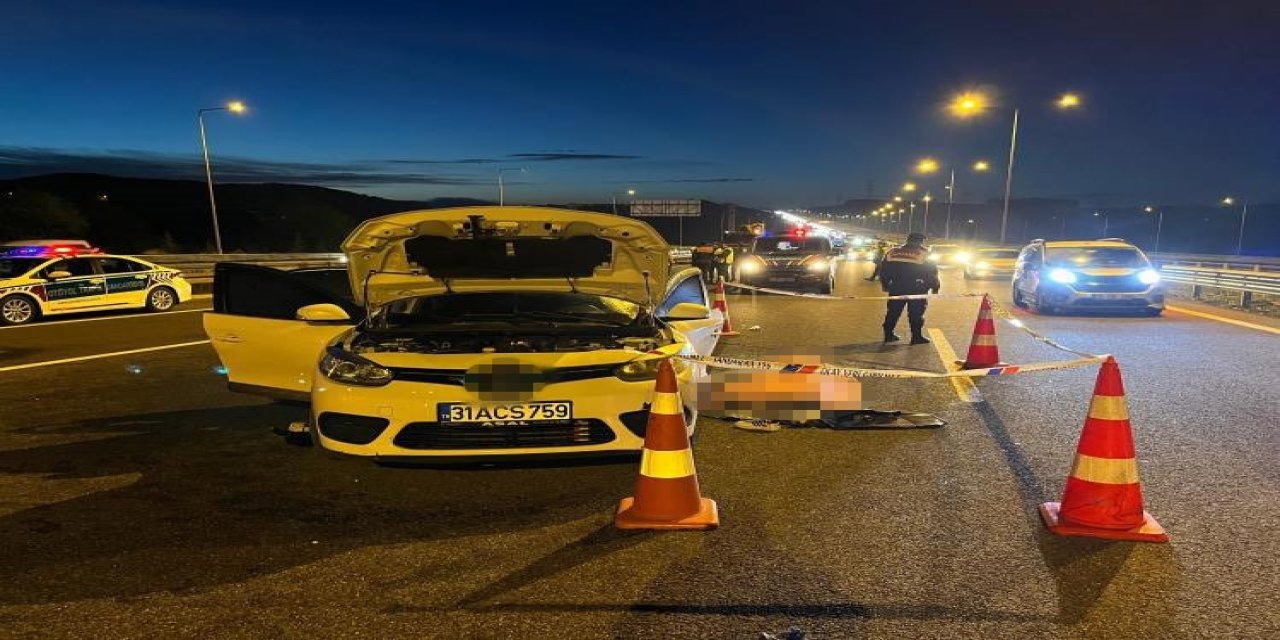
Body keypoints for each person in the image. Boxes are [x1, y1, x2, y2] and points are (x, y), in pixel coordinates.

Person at [878, 232, 940, 345]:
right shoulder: (924, 253)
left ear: (908, 240)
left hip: (896, 287)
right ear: (921, 241)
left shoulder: (893, 251)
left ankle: (888, 335)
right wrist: (935, 287)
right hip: (918, 289)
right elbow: (932, 273)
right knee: (916, 314)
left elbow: (884, 270)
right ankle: (916, 337)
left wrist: (885, 284)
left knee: (893, 312)